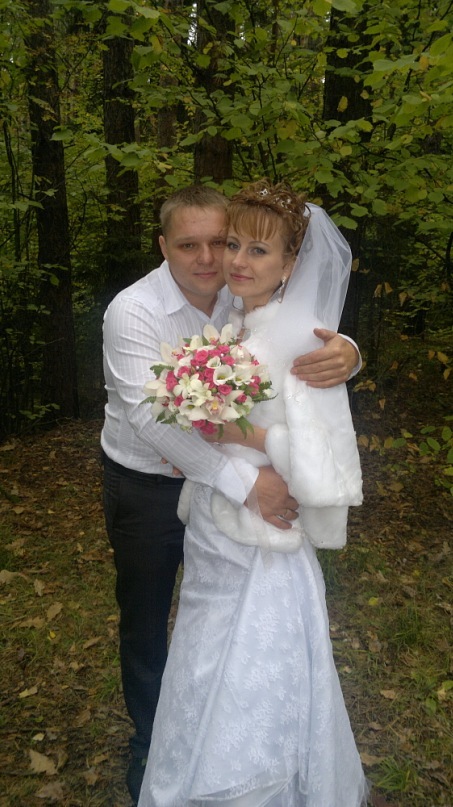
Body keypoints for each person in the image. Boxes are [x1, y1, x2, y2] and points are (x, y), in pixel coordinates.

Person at [101, 185, 361, 803]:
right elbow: (151, 419)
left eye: (221, 242)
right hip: (148, 485)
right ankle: (153, 743)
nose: (213, 258)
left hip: (237, 507)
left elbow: (299, 346)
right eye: (188, 245)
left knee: (238, 645)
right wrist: (248, 479)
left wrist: (348, 352)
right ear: (163, 246)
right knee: (147, 621)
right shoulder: (132, 310)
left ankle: (237, 764)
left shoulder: (236, 296)